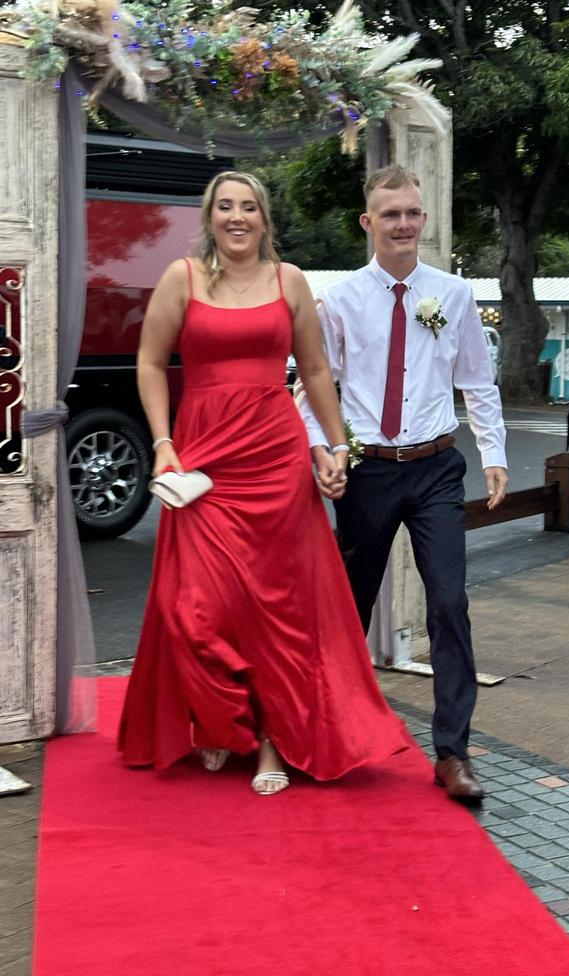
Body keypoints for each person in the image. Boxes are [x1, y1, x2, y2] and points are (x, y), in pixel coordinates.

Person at [118, 170, 407, 793]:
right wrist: (163, 444)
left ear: (264, 219)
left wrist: (335, 444)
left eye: (249, 207)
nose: (237, 217)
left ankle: (273, 742)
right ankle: (221, 723)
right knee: (194, 606)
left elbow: (317, 370)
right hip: (201, 460)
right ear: (210, 216)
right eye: (225, 207)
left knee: (278, 607)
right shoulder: (182, 278)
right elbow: (149, 361)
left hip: (275, 458)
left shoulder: (290, 282)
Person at [295, 164, 508, 805]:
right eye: (391, 214)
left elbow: (478, 380)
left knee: (449, 602)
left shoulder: (455, 295)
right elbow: (314, 385)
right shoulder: (340, 301)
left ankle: (452, 753)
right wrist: (323, 448)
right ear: (369, 223)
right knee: (347, 607)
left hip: (437, 466)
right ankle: (329, 733)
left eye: (413, 213)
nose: (405, 224)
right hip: (366, 470)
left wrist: (494, 453)